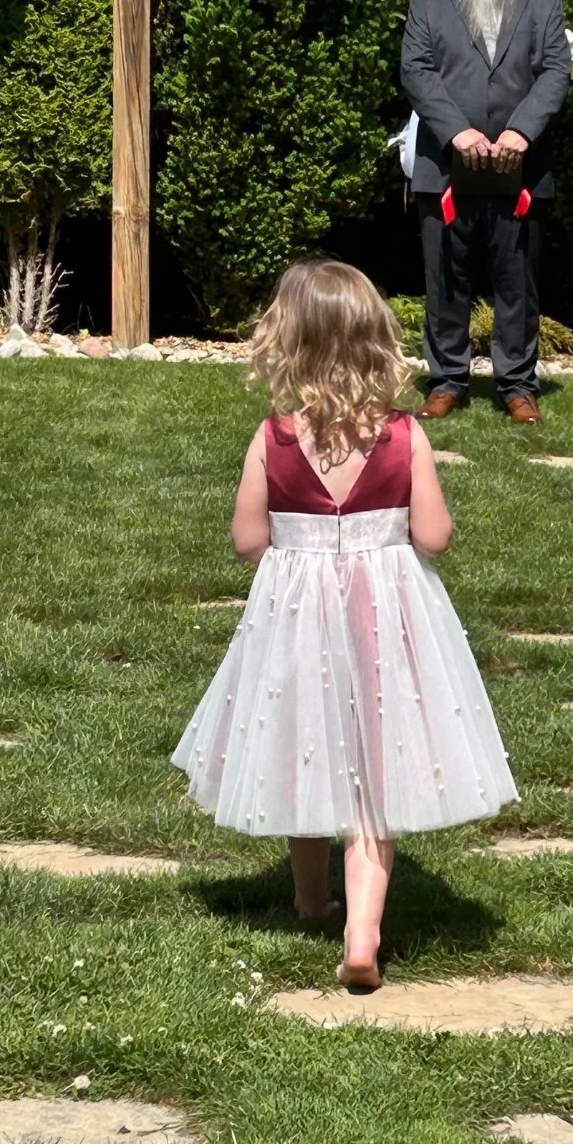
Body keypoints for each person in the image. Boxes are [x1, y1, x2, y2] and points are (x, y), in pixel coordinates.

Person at [170, 259, 518, 988]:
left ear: (287, 341)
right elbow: (434, 537)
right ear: (375, 341)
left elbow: (247, 540)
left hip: (297, 617)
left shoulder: (272, 438)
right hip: (386, 619)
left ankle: (308, 898)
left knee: (304, 745)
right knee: (374, 769)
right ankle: (362, 933)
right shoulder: (404, 435)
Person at [400, 0, 571, 425]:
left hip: (520, 171)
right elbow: (416, 72)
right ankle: (446, 380)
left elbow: (555, 72)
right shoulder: (428, 3)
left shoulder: (544, 5)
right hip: (445, 168)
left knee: (518, 282)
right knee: (445, 280)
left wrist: (522, 129)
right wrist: (458, 131)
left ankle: (517, 384)